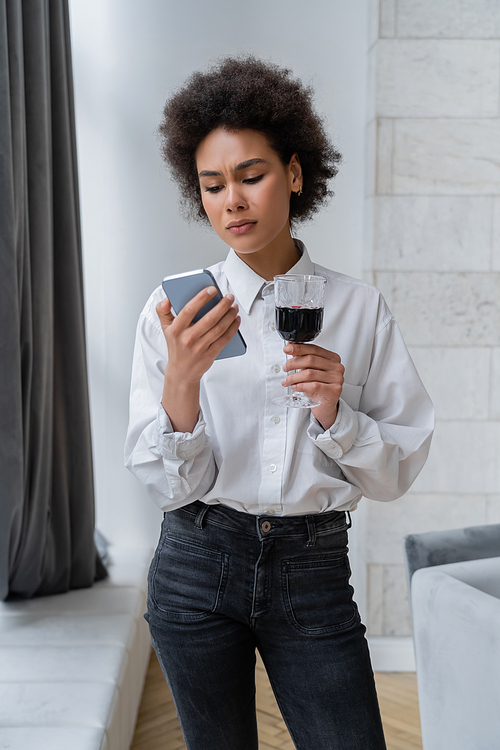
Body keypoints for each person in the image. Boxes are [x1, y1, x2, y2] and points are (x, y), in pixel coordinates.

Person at [125, 56, 434, 750]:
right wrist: (181, 385)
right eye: (212, 185)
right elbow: (168, 487)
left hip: (312, 572)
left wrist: (336, 413)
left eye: (251, 175)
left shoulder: (358, 309)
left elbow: (395, 473)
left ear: (294, 173)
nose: (231, 200)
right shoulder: (174, 313)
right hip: (196, 567)